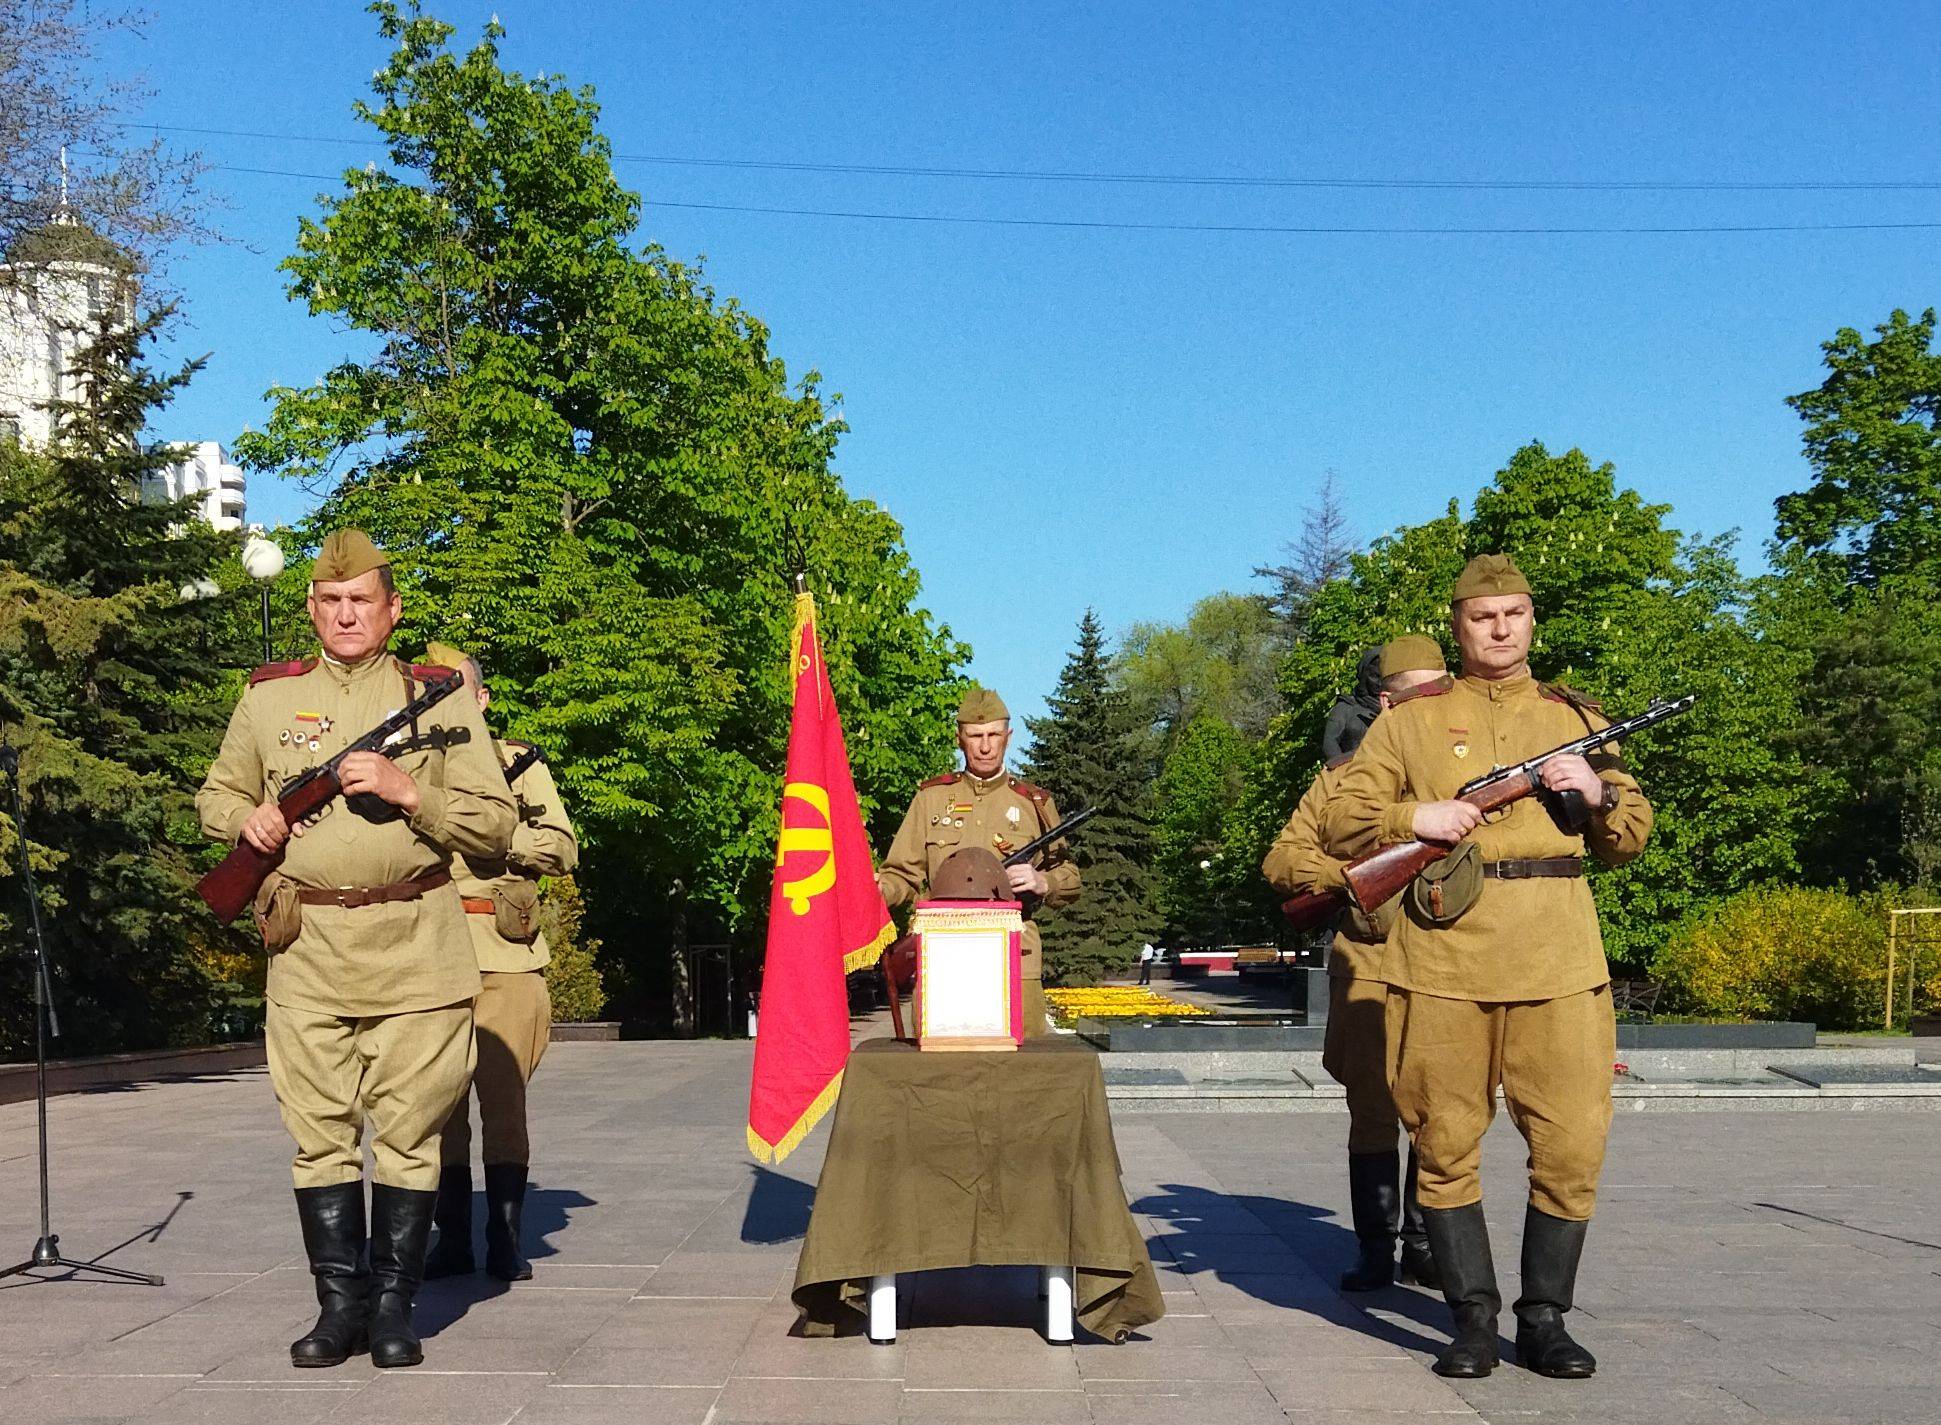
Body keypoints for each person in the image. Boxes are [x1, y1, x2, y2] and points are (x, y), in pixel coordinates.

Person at [1324, 555, 1654, 1380]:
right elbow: (1341, 813)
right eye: (1482, 616)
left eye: (1513, 613)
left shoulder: (1576, 717)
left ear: (1531, 618)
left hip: (1557, 957)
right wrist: (1415, 813)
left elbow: (1631, 835)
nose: (1499, 628)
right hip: (1444, 959)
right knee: (1442, 1141)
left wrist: (1601, 794)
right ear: (1458, 625)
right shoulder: (1410, 721)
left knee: (1573, 1144)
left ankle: (1543, 1317)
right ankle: (1470, 1317)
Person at [197, 531, 515, 1371]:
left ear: (390, 609)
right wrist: (245, 820)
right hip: (307, 950)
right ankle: (337, 1308)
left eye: (361, 601)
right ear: (311, 608)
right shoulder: (268, 700)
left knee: (410, 1134)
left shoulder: (437, 701)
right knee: (320, 1135)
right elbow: (218, 789)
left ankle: (392, 1308)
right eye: (330, 601)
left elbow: (496, 827)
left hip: (416, 947)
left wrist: (414, 792)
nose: (345, 615)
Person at [1262, 633, 1448, 1295]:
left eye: (1440, 688)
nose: (1433, 702)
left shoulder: (1464, 773)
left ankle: (1425, 1244)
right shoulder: (1338, 779)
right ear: (1384, 700)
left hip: (1449, 965)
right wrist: (1347, 875)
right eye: (1417, 693)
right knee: (1372, 1109)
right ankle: (1375, 1248)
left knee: (1441, 1111)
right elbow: (1281, 860)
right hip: (1368, 959)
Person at [419, 645, 579, 1284]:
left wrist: (492, 835)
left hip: (504, 957)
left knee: (502, 1103)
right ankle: (451, 1239)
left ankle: (504, 1237)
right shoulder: (409, 769)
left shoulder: (519, 766)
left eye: (458, 694)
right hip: (426, 953)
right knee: (437, 1105)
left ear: (481, 700)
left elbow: (563, 847)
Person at [877, 687, 1079, 1036]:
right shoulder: (931, 800)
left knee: (1021, 1069)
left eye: (993, 735)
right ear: (960, 739)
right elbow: (902, 876)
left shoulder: (1035, 804)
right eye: (975, 736)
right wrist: (874, 890)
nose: (985, 746)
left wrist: (1044, 882)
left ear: (1008, 737)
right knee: (941, 1071)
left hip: (1016, 958)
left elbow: (1070, 875)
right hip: (942, 957)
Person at [1320, 645, 1385, 760]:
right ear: (1364, 675)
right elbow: (1330, 742)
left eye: (1383, 677)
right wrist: (1345, 771)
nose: (1379, 683)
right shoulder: (1345, 707)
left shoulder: (1394, 708)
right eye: (1374, 676)